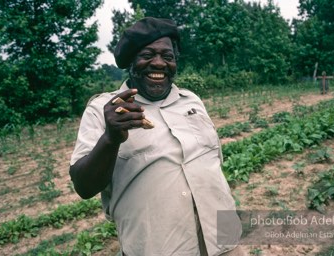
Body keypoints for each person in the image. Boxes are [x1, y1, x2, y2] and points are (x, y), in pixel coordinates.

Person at [69, 17, 242, 256]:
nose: (159, 63)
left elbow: (213, 165)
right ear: (131, 61)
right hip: (159, 248)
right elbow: (84, 187)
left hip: (224, 239)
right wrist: (110, 138)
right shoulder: (104, 110)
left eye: (167, 56)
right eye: (147, 55)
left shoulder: (191, 101)